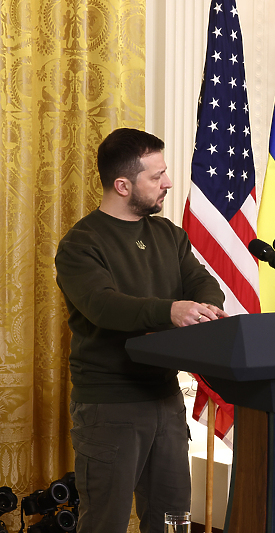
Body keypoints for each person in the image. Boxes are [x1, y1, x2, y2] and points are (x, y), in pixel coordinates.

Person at [55, 128, 229, 532]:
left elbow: (205, 286)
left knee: (172, 521)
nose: (168, 182)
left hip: (166, 401)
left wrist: (202, 311)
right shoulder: (81, 244)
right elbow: (102, 305)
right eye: (156, 176)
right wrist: (171, 313)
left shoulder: (169, 235)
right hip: (109, 406)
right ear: (122, 185)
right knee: (105, 523)